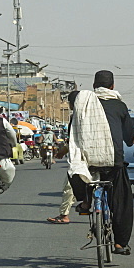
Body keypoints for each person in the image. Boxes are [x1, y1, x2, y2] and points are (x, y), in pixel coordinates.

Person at [67, 71, 134, 256]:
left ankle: (85, 201)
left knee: (77, 171)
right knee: (122, 201)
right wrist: (132, 139)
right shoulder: (120, 106)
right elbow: (129, 136)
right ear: (112, 86)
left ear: (94, 86)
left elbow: (73, 133)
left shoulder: (83, 105)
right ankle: (120, 244)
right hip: (113, 161)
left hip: (89, 160)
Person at [48, 91, 79, 224]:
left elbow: (72, 140)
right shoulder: (100, 115)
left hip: (79, 159)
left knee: (69, 186)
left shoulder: (75, 117)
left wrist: (62, 152)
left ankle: (64, 215)